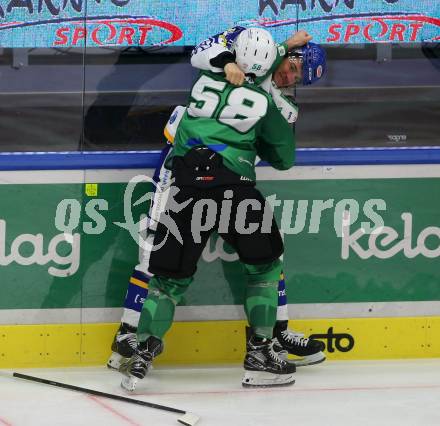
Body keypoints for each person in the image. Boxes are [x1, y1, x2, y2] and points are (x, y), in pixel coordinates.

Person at [109, 28, 327, 375]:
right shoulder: (245, 74)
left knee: (268, 256)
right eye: (292, 67)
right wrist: (277, 49)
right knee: (155, 255)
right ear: (281, 57)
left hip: (203, 176)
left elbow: (226, 53)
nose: (290, 77)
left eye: (298, 78)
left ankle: (276, 333)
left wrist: (282, 48)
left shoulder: (243, 79)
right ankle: (129, 333)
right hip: (189, 173)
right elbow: (281, 149)